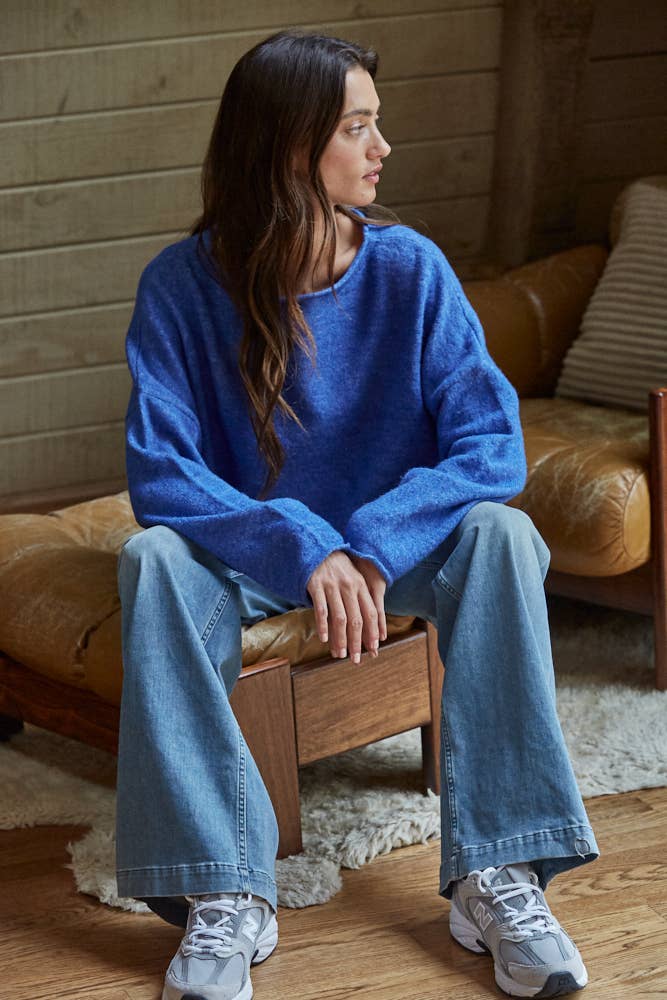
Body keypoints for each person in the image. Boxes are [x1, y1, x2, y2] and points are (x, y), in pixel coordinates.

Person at [116, 29, 599, 1000]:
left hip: (394, 549)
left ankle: (495, 873)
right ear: (290, 146)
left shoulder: (409, 270)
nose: (383, 148)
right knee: (151, 559)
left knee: (502, 532)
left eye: (377, 125)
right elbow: (160, 471)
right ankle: (225, 885)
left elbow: (491, 448)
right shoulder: (179, 285)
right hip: (253, 554)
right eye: (357, 127)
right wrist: (305, 547)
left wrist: (371, 546)